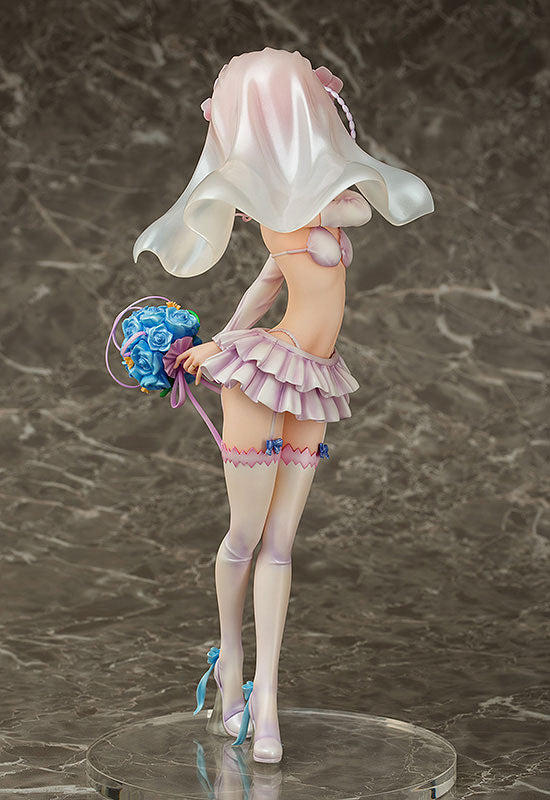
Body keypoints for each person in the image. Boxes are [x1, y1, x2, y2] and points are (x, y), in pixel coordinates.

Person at [133, 46, 434, 764]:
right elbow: (348, 207)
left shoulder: (305, 204)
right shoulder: (294, 207)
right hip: (270, 371)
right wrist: (222, 349)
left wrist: (222, 336)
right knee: (245, 536)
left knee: (279, 545)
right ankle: (232, 665)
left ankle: (265, 695)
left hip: (313, 376)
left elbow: (269, 281)